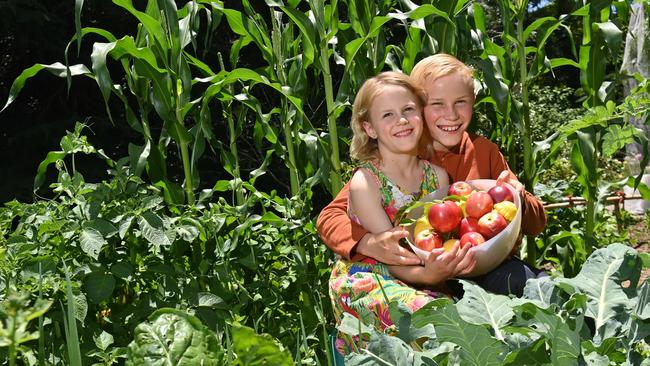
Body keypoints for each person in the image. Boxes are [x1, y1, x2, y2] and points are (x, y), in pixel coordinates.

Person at [318, 54, 547, 298]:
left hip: (483, 267)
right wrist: (368, 243)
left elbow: (536, 223)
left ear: (473, 102)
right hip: (423, 277)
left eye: (461, 102)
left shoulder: (484, 152)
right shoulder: (400, 155)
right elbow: (330, 217)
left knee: (542, 288)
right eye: (436, 104)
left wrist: (518, 195)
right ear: (417, 106)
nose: (451, 114)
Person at [328, 71, 476, 355]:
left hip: (421, 270)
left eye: (408, 109)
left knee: (460, 319)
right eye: (388, 115)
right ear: (369, 129)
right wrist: (431, 278)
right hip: (372, 276)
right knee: (428, 315)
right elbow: (391, 255)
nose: (402, 120)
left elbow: (438, 236)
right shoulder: (365, 182)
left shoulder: (438, 178)